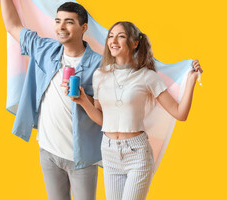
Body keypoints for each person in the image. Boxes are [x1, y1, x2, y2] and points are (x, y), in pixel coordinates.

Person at [0, 0, 103, 200]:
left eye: (69, 22)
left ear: (83, 28)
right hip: (47, 150)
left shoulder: (99, 64)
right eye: (57, 21)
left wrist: (84, 98)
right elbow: (13, 26)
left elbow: (107, 110)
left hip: (81, 156)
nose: (61, 27)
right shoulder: (45, 49)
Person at [69, 21, 203, 200]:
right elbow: (102, 118)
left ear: (134, 43)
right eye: (111, 36)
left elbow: (180, 113)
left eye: (121, 36)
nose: (113, 40)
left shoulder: (148, 77)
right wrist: (84, 101)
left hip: (137, 154)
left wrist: (192, 80)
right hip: (109, 152)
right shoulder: (100, 75)